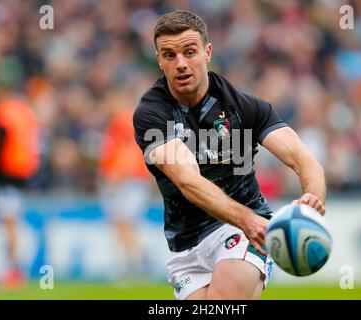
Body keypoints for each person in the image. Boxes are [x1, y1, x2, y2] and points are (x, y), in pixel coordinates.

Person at [133, 10, 326, 300]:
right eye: (170, 55)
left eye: (190, 51)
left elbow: (302, 158)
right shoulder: (152, 114)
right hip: (185, 246)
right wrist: (247, 220)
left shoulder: (245, 106)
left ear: (207, 52)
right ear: (159, 60)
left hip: (242, 229)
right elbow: (189, 183)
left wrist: (312, 198)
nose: (181, 64)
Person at [0, 94, 40, 289]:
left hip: (4, 177)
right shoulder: (24, 113)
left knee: (9, 224)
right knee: (11, 223)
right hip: (20, 175)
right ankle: (14, 268)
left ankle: (14, 269)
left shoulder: (3, 114)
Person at [98, 106, 152, 277]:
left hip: (129, 181)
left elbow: (127, 153)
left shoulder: (122, 122)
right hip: (134, 179)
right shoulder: (130, 120)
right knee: (127, 223)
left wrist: (117, 176)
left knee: (122, 221)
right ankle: (136, 258)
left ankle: (135, 262)